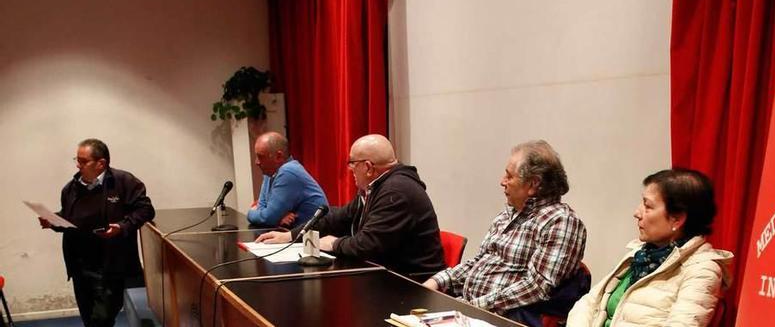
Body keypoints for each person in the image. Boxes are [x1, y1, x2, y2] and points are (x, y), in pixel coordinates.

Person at [424, 140, 588, 326]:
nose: (502, 182)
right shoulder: (509, 213)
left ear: (533, 184)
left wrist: (473, 306)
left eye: (509, 176)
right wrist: (438, 281)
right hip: (470, 310)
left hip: (501, 318)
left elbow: (536, 287)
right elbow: (479, 261)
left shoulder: (560, 222)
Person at [256, 134, 445, 277]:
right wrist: (290, 235)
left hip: (411, 284)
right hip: (385, 275)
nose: (350, 170)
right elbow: (338, 218)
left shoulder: (396, 192)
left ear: (368, 167)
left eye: (352, 164)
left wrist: (334, 243)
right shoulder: (375, 187)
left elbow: (368, 244)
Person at [567, 169, 733, 327]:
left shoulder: (702, 270)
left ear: (677, 219)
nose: (637, 213)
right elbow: (587, 303)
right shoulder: (641, 253)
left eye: (648, 206)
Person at [39, 138, 155, 327]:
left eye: (83, 161)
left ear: (101, 163)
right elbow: (70, 220)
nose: (78, 165)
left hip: (110, 266)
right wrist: (52, 221)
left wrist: (122, 226)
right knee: (89, 319)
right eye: (76, 160)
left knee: (101, 319)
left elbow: (145, 210)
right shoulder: (70, 189)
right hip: (79, 265)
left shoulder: (124, 182)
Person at [246, 131, 328, 228]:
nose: (257, 162)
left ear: (279, 156)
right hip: (294, 233)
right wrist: (277, 217)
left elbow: (267, 217)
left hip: (315, 237)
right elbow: (262, 208)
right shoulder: (270, 172)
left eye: (261, 157)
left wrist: (250, 213)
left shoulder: (288, 172)